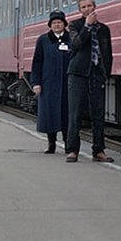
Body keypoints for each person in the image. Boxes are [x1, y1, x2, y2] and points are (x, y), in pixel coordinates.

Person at [65, 0, 113, 163]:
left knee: (98, 114)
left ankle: (98, 151)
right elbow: (76, 44)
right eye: (83, 7)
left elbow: (108, 53)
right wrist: (87, 26)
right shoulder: (74, 26)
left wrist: (106, 73)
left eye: (89, 6)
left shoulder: (104, 29)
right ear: (80, 10)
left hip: (97, 73)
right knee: (75, 113)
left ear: (95, 7)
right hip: (78, 73)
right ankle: (72, 150)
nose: (87, 9)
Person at [30, 11, 70, 153]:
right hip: (48, 83)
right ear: (50, 25)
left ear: (64, 24)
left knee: (67, 114)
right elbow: (37, 62)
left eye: (59, 22)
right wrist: (36, 82)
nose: (57, 25)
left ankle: (68, 144)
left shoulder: (71, 38)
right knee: (49, 114)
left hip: (67, 83)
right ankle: (51, 143)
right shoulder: (43, 40)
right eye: (54, 23)